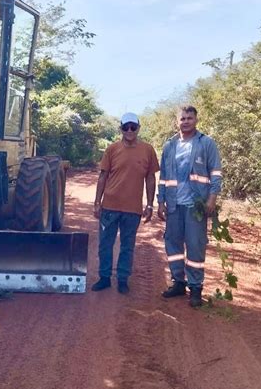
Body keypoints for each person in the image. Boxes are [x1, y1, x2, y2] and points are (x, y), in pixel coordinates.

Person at [157, 105, 222, 307]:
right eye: (182, 118)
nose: (185, 121)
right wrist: (160, 201)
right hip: (174, 204)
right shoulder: (169, 146)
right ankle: (178, 283)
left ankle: (195, 287)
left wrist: (212, 198)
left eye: (189, 118)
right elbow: (164, 177)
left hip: (197, 206)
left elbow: (216, 173)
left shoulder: (206, 143)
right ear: (177, 121)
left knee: (195, 245)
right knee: (173, 245)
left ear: (196, 120)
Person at [92, 112, 159, 294]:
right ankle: (104, 278)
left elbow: (150, 178)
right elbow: (103, 176)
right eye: (126, 127)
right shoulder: (112, 149)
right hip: (110, 208)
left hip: (133, 209)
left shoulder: (148, 150)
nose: (129, 130)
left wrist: (150, 204)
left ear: (138, 128)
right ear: (120, 128)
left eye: (133, 127)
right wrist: (97, 202)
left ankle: (123, 279)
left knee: (127, 245)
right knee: (105, 244)